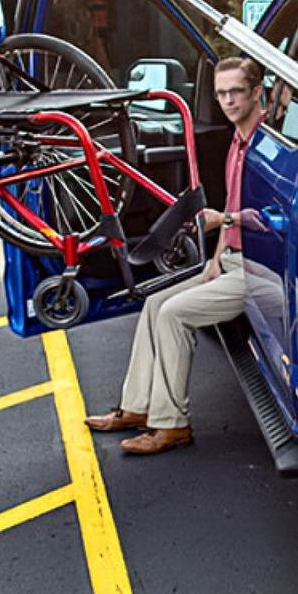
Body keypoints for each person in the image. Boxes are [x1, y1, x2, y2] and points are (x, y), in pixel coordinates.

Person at [84, 56, 265, 455]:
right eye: (221, 94)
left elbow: (268, 220)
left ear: (256, 93)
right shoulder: (236, 141)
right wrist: (216, 257)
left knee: (173, 314)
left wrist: (227, 220)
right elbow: (229, 214)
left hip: (260, 270)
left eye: (236, 92)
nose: (228, 101)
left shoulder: (265, 146)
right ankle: (136, 407)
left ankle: (171, 426)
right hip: (232, 260)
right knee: (153, 303)